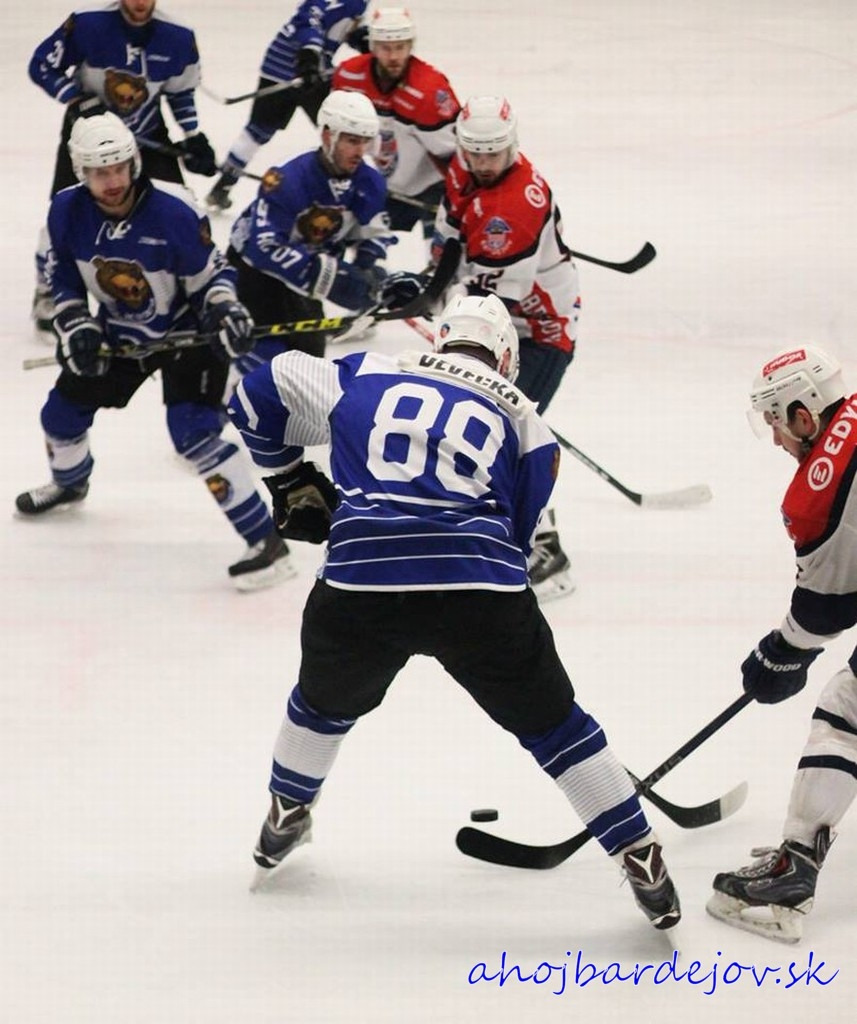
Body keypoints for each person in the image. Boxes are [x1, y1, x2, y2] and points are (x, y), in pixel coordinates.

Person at [225, 292, 681, 931]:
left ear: (441, 339)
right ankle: (637, 849)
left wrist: (288, 478)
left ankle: (286, 813)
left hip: (362, 579)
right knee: (557, 727)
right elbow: (519, 540)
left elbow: (254, 394)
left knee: (320, 707)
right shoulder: (527, 418)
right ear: (506, 359)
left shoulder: (371, 371)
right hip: (479, 585)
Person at [15, 113, 293, 592]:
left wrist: (224, 310)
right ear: (81, 172)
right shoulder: (66, 210)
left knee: (194, 434)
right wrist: (76, 324)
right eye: (99, 173)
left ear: (134, 162)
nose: (112, 181)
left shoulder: (173, 209)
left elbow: (212, 276)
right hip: (119, 333)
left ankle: (267, 543)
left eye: (119, 168)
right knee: (60, 415)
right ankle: (71, 483)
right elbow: (62, 278)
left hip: (188, 334)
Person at [707, 346, 856, 944]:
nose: (776, 440)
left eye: (777, 423)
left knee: (845, 714)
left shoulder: (820, 488)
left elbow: (826, 610)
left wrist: (781, 653)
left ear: (803, 414)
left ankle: (793, 872)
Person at [427, 95, 581, 601]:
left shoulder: (515, 205)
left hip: (537, 333)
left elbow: (494, 301)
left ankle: (547, 551)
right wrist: (432, 285)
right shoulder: (463, 168)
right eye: (475, 152)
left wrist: (444, 308)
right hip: (493, 324)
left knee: (509, 437)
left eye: (493, 152)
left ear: (511, 145)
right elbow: (451, 236)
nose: (484, 162)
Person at [29, 0, 219, 336]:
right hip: (88, 138)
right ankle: (48, 291)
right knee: (65, 211)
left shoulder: (178, 36)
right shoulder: (87, 25)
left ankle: (198, 290)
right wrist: (76, 97)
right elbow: (42, 65)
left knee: (181, 206)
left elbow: (180, 93)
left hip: (145, 135)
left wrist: (192, 137)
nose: (140, 3)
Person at [225, 89, 396, 367]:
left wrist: (368, 268)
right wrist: (329, 276)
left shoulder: (370, 182)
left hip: (305, 270)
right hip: (252, 270)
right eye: (352, 141)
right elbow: (263, 246)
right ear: (328, 136)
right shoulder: (287, 180)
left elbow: (373, 231)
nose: (360, 151)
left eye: (366, 141)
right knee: (263, 353)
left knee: (310, 360)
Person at [205, 0, 370, 213]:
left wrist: (364, 41)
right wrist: (309, 57)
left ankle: (356, 189)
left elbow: (344, 27)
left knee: (340, 131)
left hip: (316, 70)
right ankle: (223, 185)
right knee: (259, 130)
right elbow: (308, 20)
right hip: (283, 67)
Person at [331, 6, 460, 239]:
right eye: (385, 48)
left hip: (432, 187)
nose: (393, 57)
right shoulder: (348, 76)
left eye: (400, 47)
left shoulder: (429, 91)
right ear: (373, 46)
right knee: (351, 246)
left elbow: (454, 155)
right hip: (376, 183)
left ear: (411, 46)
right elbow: (335, 137)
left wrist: (461, 201)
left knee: (442, 253)